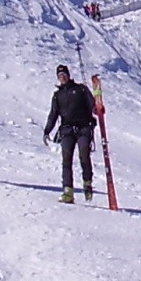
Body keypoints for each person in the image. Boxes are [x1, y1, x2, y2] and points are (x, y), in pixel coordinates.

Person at [43, 64, 96, 203]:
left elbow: (92, 105)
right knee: (66, 159)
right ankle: (68, 191)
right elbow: (53, 115)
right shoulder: (57, 95)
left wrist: (97, 109)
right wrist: (47, 130)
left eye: (64, 75)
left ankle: (87, 182)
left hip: (84, 127)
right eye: (59, 76)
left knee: (84, 155)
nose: (62, 78)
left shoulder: (81, 90)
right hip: (67, 130)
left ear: (68, 75)